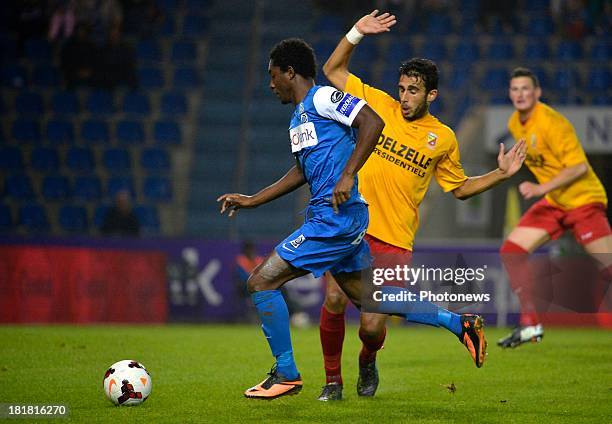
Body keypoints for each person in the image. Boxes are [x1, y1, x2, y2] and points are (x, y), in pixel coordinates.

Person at [218, 37, 490, 401]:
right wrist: (253, 200)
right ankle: (461, 324)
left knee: (260, 282)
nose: (271, 85)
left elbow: (372, 122)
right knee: (370, 299)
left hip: (334, 220)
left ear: (290, 72)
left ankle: (286, 373)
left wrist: (348, 174)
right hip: (338, 218)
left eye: (273, 76)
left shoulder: (322, 98)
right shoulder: (299, 118)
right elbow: (301, 170)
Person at [318, 10, 528, 400]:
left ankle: (368, 360)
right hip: (351, 228)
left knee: (372, 326)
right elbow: (332, 70)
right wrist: (356, 32)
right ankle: (333, 382)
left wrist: (500, 174)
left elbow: (460, 189)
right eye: (401, 88)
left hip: (396, 239)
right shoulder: (377, 106)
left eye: (413, 90)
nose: (404, 96)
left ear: (431, 94)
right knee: (333, 298)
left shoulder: (443, 138)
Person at [497, 67, 612, 348]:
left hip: (583, 201)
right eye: (515, 89)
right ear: (510, 93)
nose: (520, 94)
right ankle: (530, 325)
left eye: (526, 89)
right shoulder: (515, 123)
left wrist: (539, 189)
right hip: (556, 202)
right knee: (511, 251)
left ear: (537, 93)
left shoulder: (552, 123)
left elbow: (579, 167)